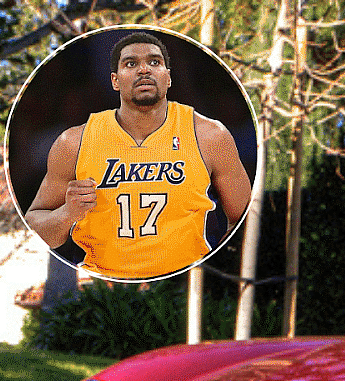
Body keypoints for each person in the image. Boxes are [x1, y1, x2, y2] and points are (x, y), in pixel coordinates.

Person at [25, 31, 251, 280]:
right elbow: (38, 230)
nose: (144, 71)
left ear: (168, 77)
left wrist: (211, 272)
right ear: (115, 80)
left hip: (185, 286)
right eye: (131, 64)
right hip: (105, 290)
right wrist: (68, 212)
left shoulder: (210, 135)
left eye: (154, 62)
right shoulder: (74, 142)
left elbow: (245, 221)